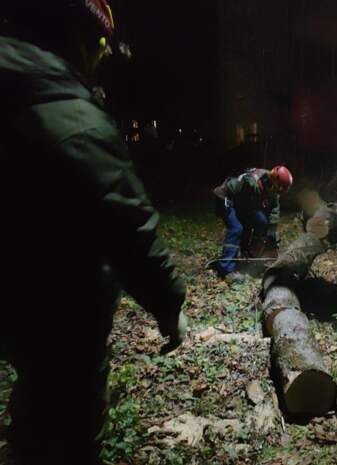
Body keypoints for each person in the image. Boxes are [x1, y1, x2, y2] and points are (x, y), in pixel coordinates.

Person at [0, 2, 187, 464]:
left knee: (37, 397)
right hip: (56, 309)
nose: (103, 57)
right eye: (101, 45)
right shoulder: (69, 118)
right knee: (66, 422)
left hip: (17, 300)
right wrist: (170, 305)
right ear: (77, 39)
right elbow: (127, 223)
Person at [212, 166, 293, 283]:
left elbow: (274, 209)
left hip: (245, 204)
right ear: (275, 181)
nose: (278, 192)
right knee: (237, 228)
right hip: (226, 197)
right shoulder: (251, 183)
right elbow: (244, 206)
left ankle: (248, 254)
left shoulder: (273, 189)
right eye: (279, 188)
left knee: (262, 222)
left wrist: (271, 230)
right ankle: (226, 269)